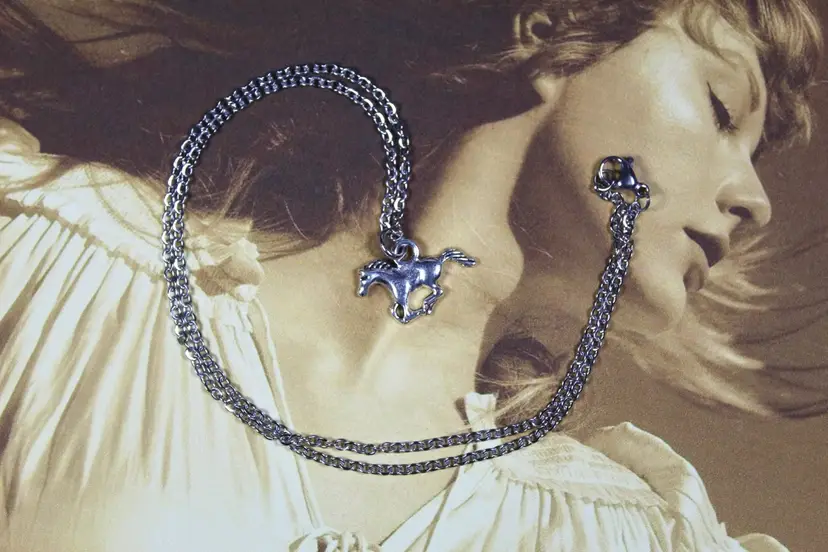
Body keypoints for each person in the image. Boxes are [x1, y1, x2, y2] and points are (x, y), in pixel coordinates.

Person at [0, 0, 825, 550]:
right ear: (556, 30)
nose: (755, 202)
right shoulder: (60, 276)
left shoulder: (622, 534)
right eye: (722, 112)